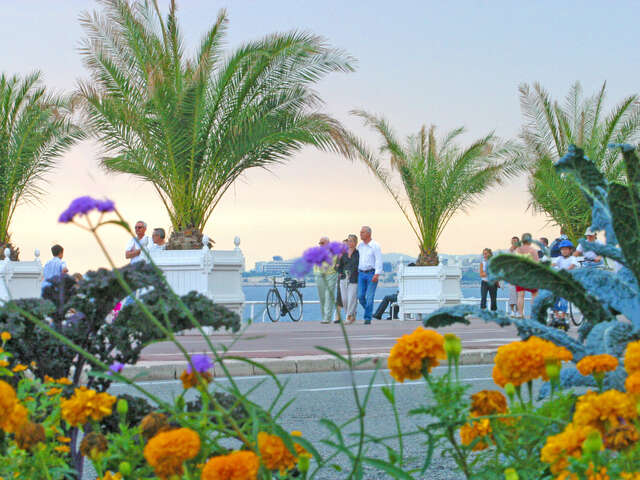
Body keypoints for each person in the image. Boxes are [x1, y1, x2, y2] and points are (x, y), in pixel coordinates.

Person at [357, 226, 382, 325]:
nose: (360, 234)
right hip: (361, 274)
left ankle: (367, 318)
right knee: (360, 296)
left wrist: (377, 274)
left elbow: (378, 260)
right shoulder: (360, 246)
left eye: (362, 232)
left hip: (371, 273)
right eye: (360, 232)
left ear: (368, 233)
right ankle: (369, 311)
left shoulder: (375, 246)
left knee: (370, 296)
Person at [551, 240, 579, 324]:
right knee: (554, 298)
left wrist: (565, 271)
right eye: (562, 249)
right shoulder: (559, 258)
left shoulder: (572, 258)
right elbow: (553, 264)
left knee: (564, 299)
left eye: (566, 249)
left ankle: (563, 315)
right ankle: (556, 315)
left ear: (570, 250)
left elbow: (572, 266)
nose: (564, 251)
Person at [515, 233, 539, 318]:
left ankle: (520, 314)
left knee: (520, 295)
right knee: (534, 294)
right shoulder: (533, 250)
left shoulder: (518, 250)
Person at [336, 234, 359, 324]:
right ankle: (351, 314)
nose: (349, 242)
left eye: (351, 241)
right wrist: (340, 271)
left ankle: (348, 317)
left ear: (355, 242)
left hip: (354, 279)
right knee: (344, 300)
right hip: (343, 279)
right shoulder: (343, 254)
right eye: (348, 240)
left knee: (352, 299)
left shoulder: (358, 254)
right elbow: (338, 266)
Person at [315, 236, 338, 324]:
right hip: (320, 276)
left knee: (329, 296)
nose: (320, 245)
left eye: (322, 243)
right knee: (322, 298)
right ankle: (324, 316)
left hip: (331, 275)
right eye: (319, 243)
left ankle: (327, 318)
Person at [507, 236, 520, 316]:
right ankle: (512, 311)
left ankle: (518, 311)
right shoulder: (509, 251)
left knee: (519, 295)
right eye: (512, 241)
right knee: (512, 294)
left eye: (515, 241)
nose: (513, 243)